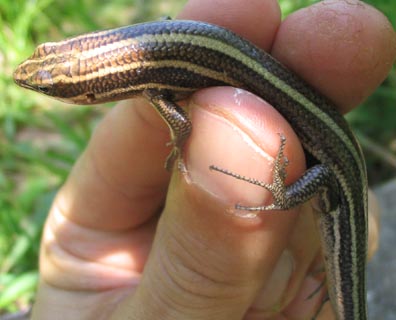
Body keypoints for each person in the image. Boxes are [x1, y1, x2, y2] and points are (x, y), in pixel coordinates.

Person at [31, 0, 396, 319]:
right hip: (332, 151)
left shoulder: (154, 85)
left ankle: (284, 198)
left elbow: (182, 123)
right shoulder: (150, 46)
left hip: (332, 171)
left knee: (297, 203)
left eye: (49, 88)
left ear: (90, 94)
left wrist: (179, 143)